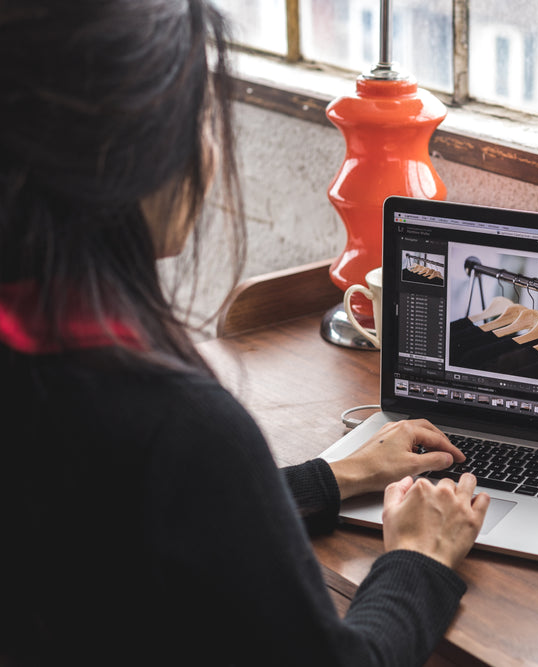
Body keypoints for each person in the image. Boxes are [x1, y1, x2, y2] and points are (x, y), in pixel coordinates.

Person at [0, 1, 489, 665]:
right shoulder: (177, 428)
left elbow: (135, 511)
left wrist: (332, 475)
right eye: (202, 117)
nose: (208, 147)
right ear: (129, 159)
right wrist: (417, 559)